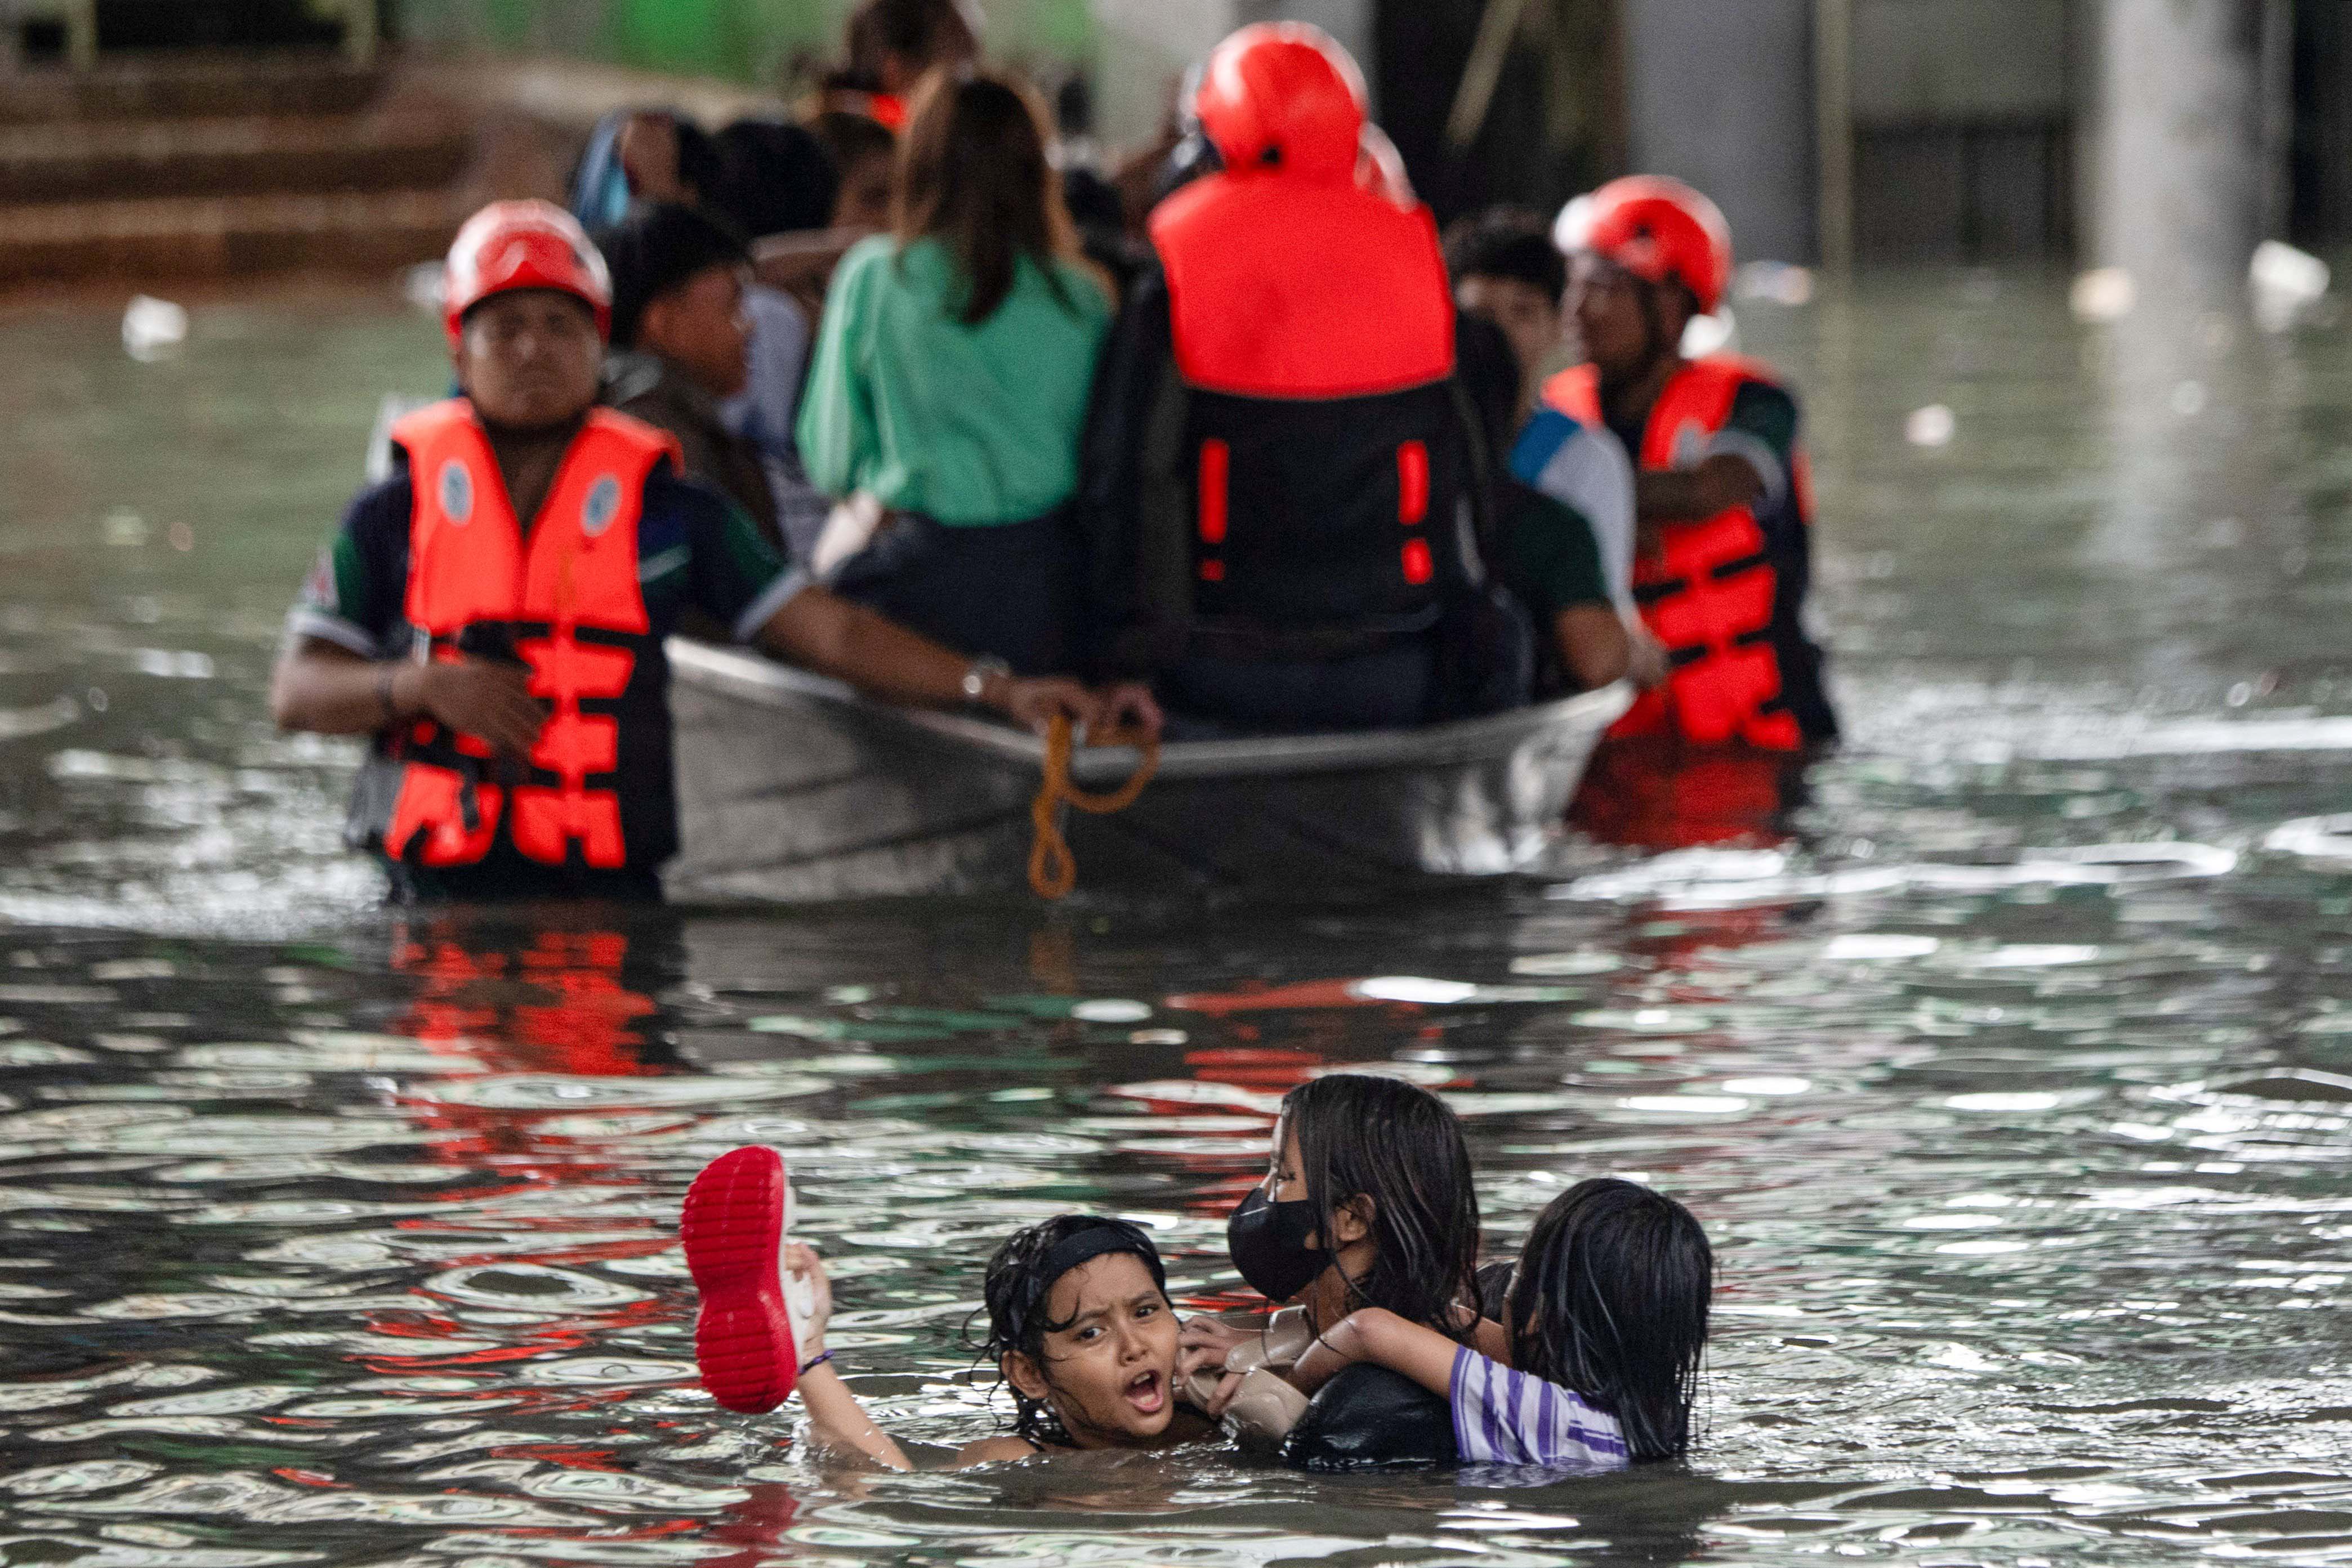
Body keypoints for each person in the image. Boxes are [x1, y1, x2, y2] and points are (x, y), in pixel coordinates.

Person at [270, 200, 1135, 904]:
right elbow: (297, 690)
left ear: (599, 343)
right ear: (460, 346)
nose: (534, 349)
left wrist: (999, 687)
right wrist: (418, 686)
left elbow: (830, 634)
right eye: (506, 329)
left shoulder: (672, 512)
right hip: (428, 907)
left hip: (611, 909)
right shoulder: (396, 510)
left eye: (558, 326)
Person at [1079, 23, 1528, 734]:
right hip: (1396, 657)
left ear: (1216, 136)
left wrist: (1124, 660)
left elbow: (1130, 477)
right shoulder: (1419, 263)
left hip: (1221, 665)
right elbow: (1471, 477)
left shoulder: (1174, 270)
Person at [796, 72, 1113, 677]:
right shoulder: (1085, 296)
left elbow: (831, 459)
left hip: (911, 586)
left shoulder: (871, 278)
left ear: (918, 163)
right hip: (1054, 590)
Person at [682, 1145, 1211, 1464]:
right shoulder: (1019, 1460)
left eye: (1145, 1312)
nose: (1134, 1346)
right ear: (1028, 1373)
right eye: (1090, 1333)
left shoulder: (1218, 1416)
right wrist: (810, 1351)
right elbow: (892, 1489)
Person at [1545, 176, 1837, 750]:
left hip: (1763, 749)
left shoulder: (1756, 404)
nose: (1576, 310)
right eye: (1572, 285)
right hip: (1619, 748)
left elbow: (1708, 490)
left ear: (1672, 306)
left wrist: (1587, 510)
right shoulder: (1552, 415)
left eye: (1602, 287)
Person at [1288, 1177, 1712, 1469]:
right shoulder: (1646, 1415)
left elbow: (1369, 1329)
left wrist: (1288, 1388)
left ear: (1535, 1318)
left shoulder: (1545, 1413)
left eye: (1521, 1271)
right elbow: (1477, 1334)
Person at [1181, 1073, 1480, 1463]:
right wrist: (1272, 1344)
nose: (1261, 1194)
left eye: (1283, 1175)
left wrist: (1277, 1389)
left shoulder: (1367, 1409)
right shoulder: (1434, 1333)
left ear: (1351, 1219)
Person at [598, 203, 782, 550]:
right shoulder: (661, 441)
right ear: (664, 323)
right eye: (733, 303)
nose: (751, 325)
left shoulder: (677, 417)